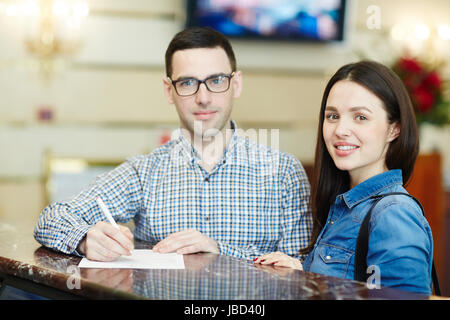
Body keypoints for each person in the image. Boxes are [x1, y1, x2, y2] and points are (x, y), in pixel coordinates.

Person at [34, 27, 312, 262]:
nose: (203, 97)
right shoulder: (144, 172)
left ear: (236, 84)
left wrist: (220, 251)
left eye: (216, 80)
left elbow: (300, 273)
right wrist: (84, 239)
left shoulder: (284, 173)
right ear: (169, 90)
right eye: (189, 82)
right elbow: (51, 218)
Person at [254, 60, 434, 295]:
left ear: (394, 129)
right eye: (332, 116)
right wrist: (303, 272)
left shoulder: (393, 213)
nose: (340, 130)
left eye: (360, 117)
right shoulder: (344, 206)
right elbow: (349, 280)